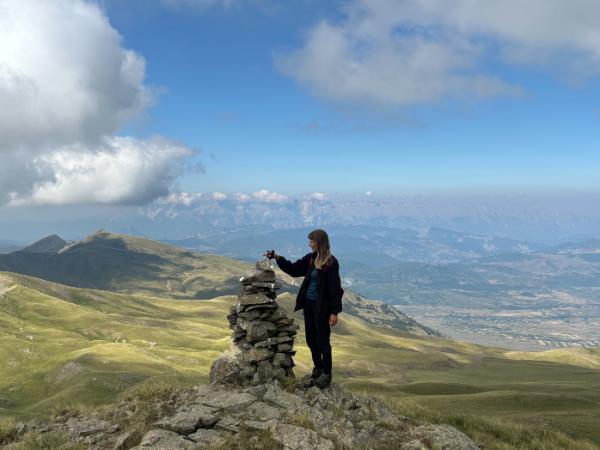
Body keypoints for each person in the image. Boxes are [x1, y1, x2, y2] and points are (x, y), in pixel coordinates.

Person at [263, 229, 344, 389]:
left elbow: (335, 289)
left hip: (322, 308)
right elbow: (293, 269)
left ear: (319, 243)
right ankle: (318, 369)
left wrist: (334, 312)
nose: (309, 244)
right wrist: (278, 257)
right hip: (308, 305)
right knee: (311, 340)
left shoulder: (330, 263)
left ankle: (326, 375)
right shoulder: (310, 259)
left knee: (323, 342)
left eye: (312, 241)